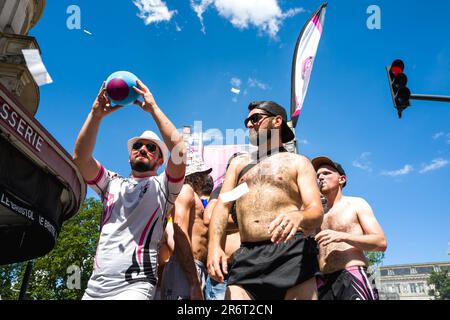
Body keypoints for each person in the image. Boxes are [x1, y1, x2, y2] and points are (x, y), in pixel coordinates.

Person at [73, 80, 186, 300]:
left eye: (151, 147)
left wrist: (153, 108)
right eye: (137, 146)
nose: (143, 149)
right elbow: (80, 159)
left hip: (135, 287)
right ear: (129, 155)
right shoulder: (110, 183)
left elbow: (179, 150)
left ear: (161, 160)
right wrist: (95, 115)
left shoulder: (164, 188)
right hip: (95, 287)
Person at [207, 101, 324, 300]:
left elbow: (316, 211)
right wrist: (214, 246)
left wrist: (300, 216)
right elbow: (223, 205)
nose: (250, 125)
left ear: (277, 121)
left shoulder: (299, 162)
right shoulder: (239, 164)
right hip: (247, 257)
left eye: (255, 118)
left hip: (291, 254)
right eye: (247, 121)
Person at [312, 156, 387, 300]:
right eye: (318, 175)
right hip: (323, 282)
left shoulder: (356, 203)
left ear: (341, 179)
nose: (320, 177)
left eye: (326, 173)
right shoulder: (318, 214)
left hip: (352, 275)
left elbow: (381, 243)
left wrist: (342, 236)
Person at [160, 158, 212, 300]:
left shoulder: (191, 194)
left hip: (191, 268)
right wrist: (193, 281)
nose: (205, 178)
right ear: (195, 176)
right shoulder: (185, 190)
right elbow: (179, 232)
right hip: (185, 269)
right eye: (202, 174)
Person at [203, 152, 244, 300]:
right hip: (223, 270)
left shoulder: (252, 190)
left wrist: (223, 220)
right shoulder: (221, 190)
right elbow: (208, 218)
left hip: (249, 266)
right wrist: (247, 221)